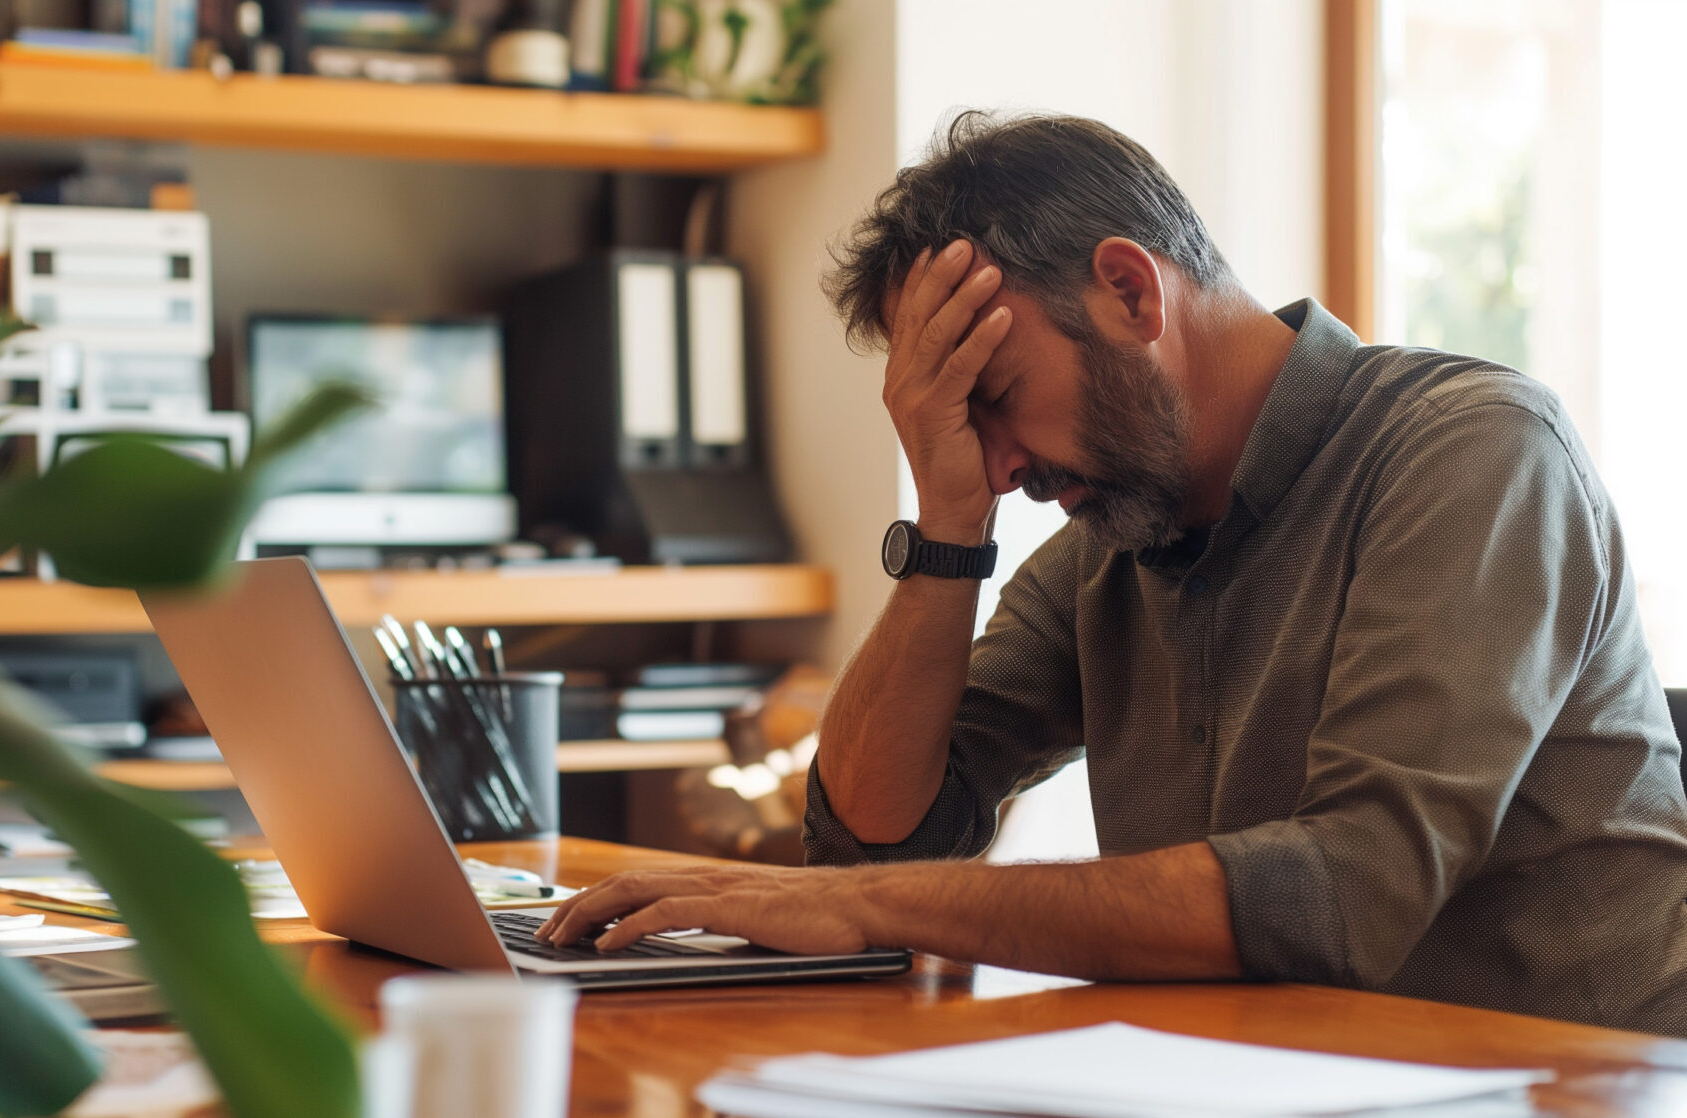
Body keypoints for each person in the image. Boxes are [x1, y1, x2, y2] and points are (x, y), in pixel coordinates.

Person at [537, 112, 1687, 1034]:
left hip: (1574, 1082)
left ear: (1132, 292)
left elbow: (1342, 891)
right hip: (1285, 1079)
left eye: (990, 400)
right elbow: (873, 841)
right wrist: (948, 518)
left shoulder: (1475, 451)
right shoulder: (1114, 538)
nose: (997, 460)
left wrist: (851, 900)